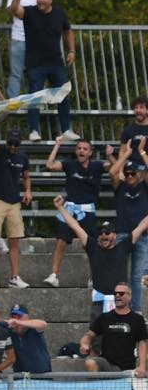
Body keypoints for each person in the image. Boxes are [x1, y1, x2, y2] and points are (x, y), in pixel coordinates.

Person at [54, 197, 148, 325]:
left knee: (124, 339)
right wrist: (60, 208)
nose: (104, 235)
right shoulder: (93, 247)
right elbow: (75, 226)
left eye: (107, 232)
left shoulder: (124, 246)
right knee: (97, 341)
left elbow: (142, 225)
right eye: (101, 232)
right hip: (99, 302)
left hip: (121, 301)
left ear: (115, 235)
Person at [10, 0, 77, 142]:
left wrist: (72, 51)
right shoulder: (29, 11)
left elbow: (68, 31)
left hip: (56, 62)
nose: (41, 0)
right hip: (35, 64)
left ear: (51, 0)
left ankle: (66, 129)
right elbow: (14, 10)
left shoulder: (60, 13)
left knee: (63, 94)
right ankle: (34, 130)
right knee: (35, 96)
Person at [44, 137, 106, 287]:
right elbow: (50, 165)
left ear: (90, 152)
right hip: (70, 210)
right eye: (79, 148)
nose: (81, 151)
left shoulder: (97, 166)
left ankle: (95, 278)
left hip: (88, 211)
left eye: (85, 149)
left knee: (91, 246)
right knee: (61, 242)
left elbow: (115, 167)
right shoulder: (69, 164)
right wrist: (57, 145)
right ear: (76, 151)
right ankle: (54, 275)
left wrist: (111, 154)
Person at [0, 129, 32, 290]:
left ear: (20, 144)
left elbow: (26, 175)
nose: (12, 146)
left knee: (14, 240)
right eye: (10, 143)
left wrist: (27, 191)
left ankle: (14, 277)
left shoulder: (23, 156)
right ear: (6, 142)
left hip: (14, 202)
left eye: (16, 144)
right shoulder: (0, 151)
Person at [107, 140, 148, 309]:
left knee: (137, 277)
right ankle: (117, 308)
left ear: (139, 174)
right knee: (119, 276)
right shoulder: (120, 186)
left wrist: (142, 151)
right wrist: (127, 154)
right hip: (123, 234)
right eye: (128, 173)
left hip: (143, 236)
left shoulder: (145, 187)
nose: (130, 176)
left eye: (133, 173)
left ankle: (136, 311)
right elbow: (112, 171)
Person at [80, 282, 147, 375]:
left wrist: (142, 366)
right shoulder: (105, 317)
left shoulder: (137, 319)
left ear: (130, 296)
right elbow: (90, 334)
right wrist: (84, 343)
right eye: (115, 293)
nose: (118, 295)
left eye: (121, 293)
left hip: (126, 367)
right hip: (106, 363)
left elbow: (142, 343)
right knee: (90, 362)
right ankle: (97, 388)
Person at [6, 0, 40, 97]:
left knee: (36, 73)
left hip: (37, 40)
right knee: (16, 73)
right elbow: (12, 11)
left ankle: (34, 103)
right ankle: (13, 104)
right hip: (18, 38)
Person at [7, 304, 52, 374]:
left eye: (19, 317)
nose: (15, 320)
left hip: (42, 377)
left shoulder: (34, 329)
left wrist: (19, 322)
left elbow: (43, 324)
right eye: (14, 317)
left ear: (27, 317)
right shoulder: (11, 332)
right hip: (20, 377)